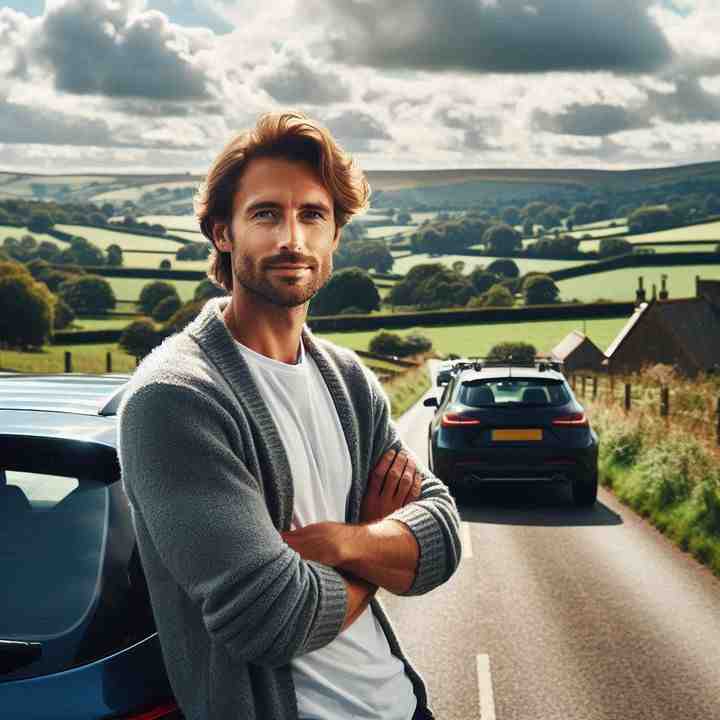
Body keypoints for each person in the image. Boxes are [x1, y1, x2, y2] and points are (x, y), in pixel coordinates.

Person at [118, 111, 462, 720]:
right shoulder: (176, 398)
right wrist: (376, 556)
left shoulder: (348, 380)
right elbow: (273, 619)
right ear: (223, 233)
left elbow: (442, 535)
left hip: (402, 707)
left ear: (334, 236)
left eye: (313, 215)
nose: (292, 240)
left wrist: (342, 542)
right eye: (266, 214)